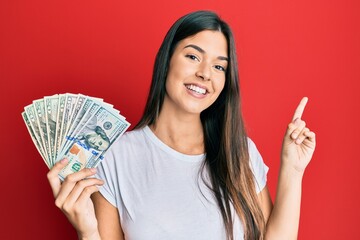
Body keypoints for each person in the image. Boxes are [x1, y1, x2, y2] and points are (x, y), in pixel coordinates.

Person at [47, 10, 316, 240]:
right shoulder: (115, 157)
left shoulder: (239, 152)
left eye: (219, 67)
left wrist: (293, 168)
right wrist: (88, 231)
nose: (205, 73)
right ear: (167, 60)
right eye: (193, 56)